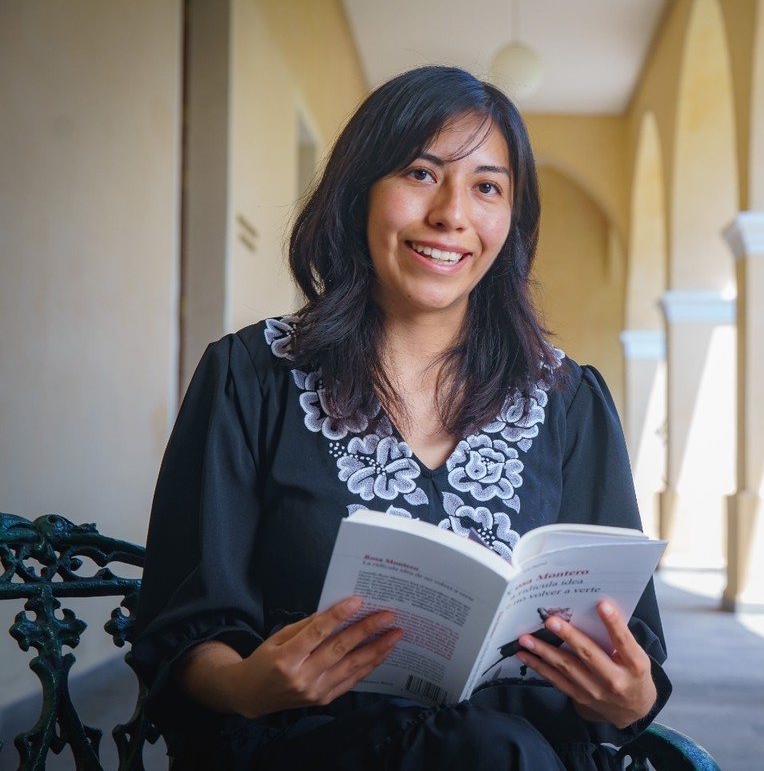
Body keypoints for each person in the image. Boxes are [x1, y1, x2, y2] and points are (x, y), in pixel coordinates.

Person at [130, 65, 670, 770]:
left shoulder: (568, 401)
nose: (452, 214)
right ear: (359, 192)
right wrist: (245, 682)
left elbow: (634, 655)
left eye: (487, 186)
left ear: (511, 219)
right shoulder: (250, 378)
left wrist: (627, 698)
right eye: (421, 173)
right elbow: (184, 623)